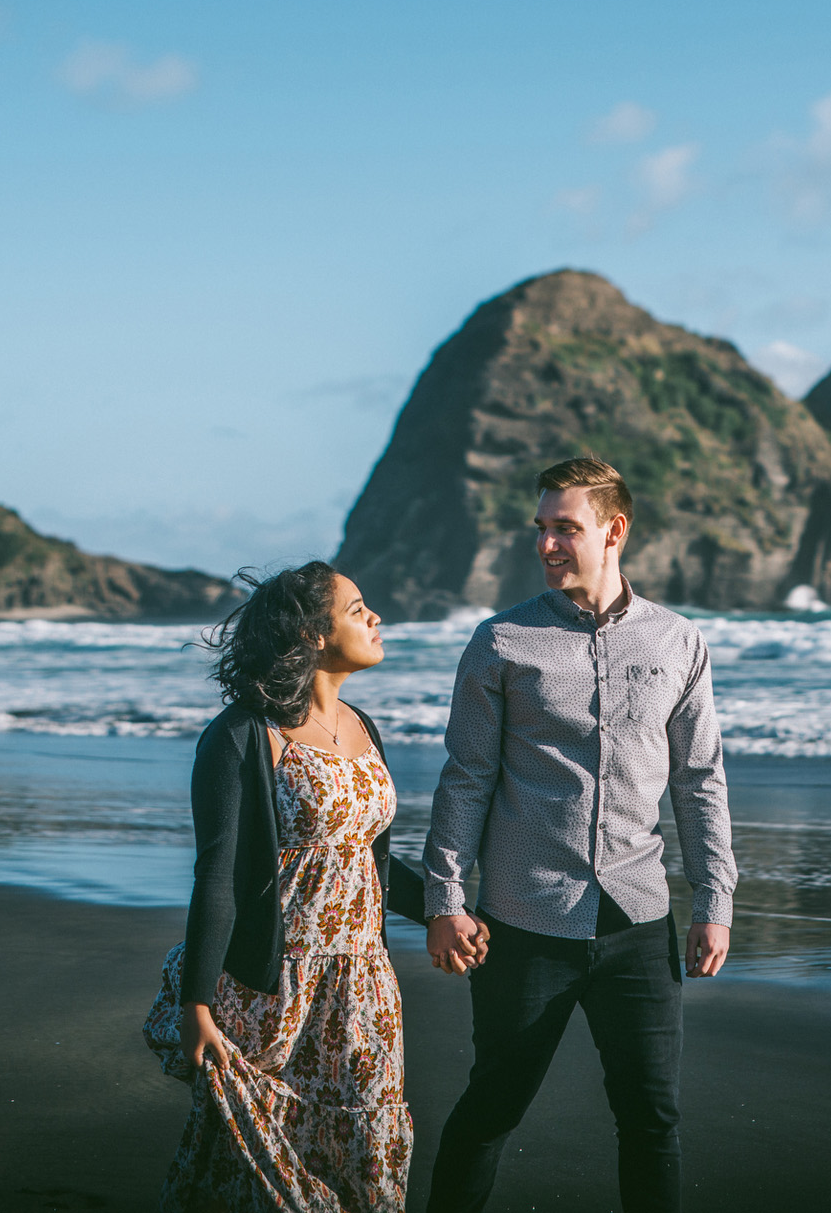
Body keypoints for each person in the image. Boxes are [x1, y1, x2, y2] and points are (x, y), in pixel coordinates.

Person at [420, 457, 738, 1213]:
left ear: (614, 530)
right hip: (525, 921)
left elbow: (700, 779)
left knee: (652, 1120)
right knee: (493, 1108)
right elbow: (466, 777)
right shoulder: (502, 641)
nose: (548, 544)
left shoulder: (677, 641)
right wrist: (445, 899)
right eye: (542, 529)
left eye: (566, 527)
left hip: (640, 922)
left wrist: (715, 898)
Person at [143, 561, 477, 1212]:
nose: (375, 618)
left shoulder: (361, 725)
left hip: (364, 984)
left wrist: (444, 910)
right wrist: (196, 1006)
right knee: (263, 1165)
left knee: (371, 1150)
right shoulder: (244, 735)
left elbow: (367, 862)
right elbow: (217, 877)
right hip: (278, 988)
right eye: (357, 610)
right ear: (311, 634)